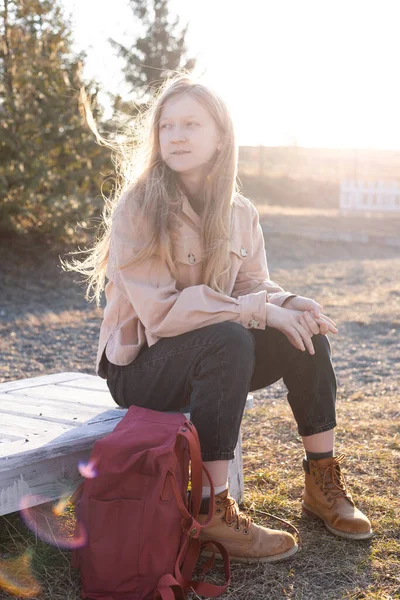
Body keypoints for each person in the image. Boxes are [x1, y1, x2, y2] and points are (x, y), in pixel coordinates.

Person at [63, 74, 372, 564]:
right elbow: (162, 316)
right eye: (167, 126)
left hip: (212, 357)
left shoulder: (240, 211)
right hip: (140, 370)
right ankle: (211, 509)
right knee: (229, 337)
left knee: (301, 330)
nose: (177, 136)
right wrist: (256, 310)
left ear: (221, 135)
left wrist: (289, 302)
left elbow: (252, 287)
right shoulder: (138, 209)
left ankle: (322, 481)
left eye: (190, 124)